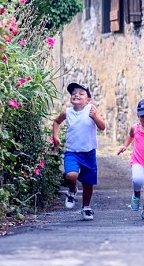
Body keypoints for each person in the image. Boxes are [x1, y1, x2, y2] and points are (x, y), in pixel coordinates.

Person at [52, 81, 106, 221]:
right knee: (71, 176)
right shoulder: (67, 112)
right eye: (74, 93)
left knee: (88, 183)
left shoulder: (91, 110)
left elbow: (102, 127)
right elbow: (57, 122)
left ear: (88, 99)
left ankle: (86, 208)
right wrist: (55, 136)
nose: (76, 95)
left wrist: (95, 117)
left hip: (88, 152)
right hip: (72, 152)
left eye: (81, 93)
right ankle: (72, 190)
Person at [117, 98, 144, 219]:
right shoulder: (134, 128)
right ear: (138, 116)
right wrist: (125, 146)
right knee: (137, 179)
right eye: (142, 117)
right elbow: (130, 136)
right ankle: (136, 195)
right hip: (138, 160)